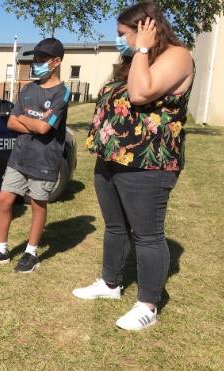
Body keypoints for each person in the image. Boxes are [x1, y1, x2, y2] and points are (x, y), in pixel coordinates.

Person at [73, 2, 194, 331]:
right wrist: (137, 51)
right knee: (114, 227)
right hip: (112, 158)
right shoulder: (135, 59)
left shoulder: (177, 56)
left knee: (147, 235)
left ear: (146, 29)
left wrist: (141, 47)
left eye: (123, 34)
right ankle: (110, 284)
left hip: (148, 163)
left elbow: (141, 94)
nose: (119, 41)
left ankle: (148, 304)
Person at [0, 38, 70, 273]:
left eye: (41, 59)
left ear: (56, 62)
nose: (35, 63)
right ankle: (2, 250)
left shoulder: (62, 92)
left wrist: (28, 121)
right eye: (34, 59)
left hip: (45, 160)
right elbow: (11, 122)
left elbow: (45, 129)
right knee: (4, 199)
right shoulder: (28, 89)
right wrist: (35, 121)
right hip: (20, 157)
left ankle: (31, 253)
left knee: (38, 204)